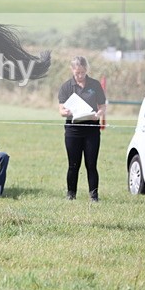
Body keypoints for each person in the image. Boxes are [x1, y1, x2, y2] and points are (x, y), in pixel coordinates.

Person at [58, 56, 107, 202]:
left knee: (91, 164)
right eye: (77, 73)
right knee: (73, 164)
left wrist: (98, 114)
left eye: (82, 72)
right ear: (72, 70)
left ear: (86, 70)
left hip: (91, 130)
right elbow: (61, 109)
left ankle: (94, 196)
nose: (80, 76)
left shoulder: (95, 85)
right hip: (73, 131)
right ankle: (71, 194)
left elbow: (102, 106)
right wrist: (65, 112)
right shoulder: (66, 87)